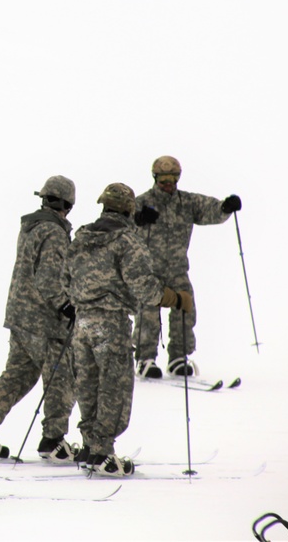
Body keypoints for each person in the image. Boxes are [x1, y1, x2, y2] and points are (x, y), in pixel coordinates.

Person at [64, 183, 194, 476]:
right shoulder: (127, 241)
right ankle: (102, 454)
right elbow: (145, 288)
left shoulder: (81, 237)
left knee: (88, 385)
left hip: (82, 323)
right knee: (114, 389)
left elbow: (65, 279)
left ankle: (90, 445)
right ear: (129, 209)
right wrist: (175, 298)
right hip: (111, 324)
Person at [0, 176, 78, 463]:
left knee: (19, 374)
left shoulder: (31, 227)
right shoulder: (53, 232)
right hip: (45, 322)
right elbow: (49, 277)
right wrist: (65, 304)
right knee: (61, 377)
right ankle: (53, 441)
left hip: (20, 315)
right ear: (69, 205)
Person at [133, 155, 242, 379]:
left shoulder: (187, 203)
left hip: (177, 269)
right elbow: (122, 221)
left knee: (185, 307)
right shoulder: (141, 202)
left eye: (172, 178)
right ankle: (145, 359)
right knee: (148, 311)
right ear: (155, 178)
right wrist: (139, 218)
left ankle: (178, 358)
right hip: (148, 271)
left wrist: (225, 207)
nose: (168, 183)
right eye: (163, 178)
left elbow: (211, 210)